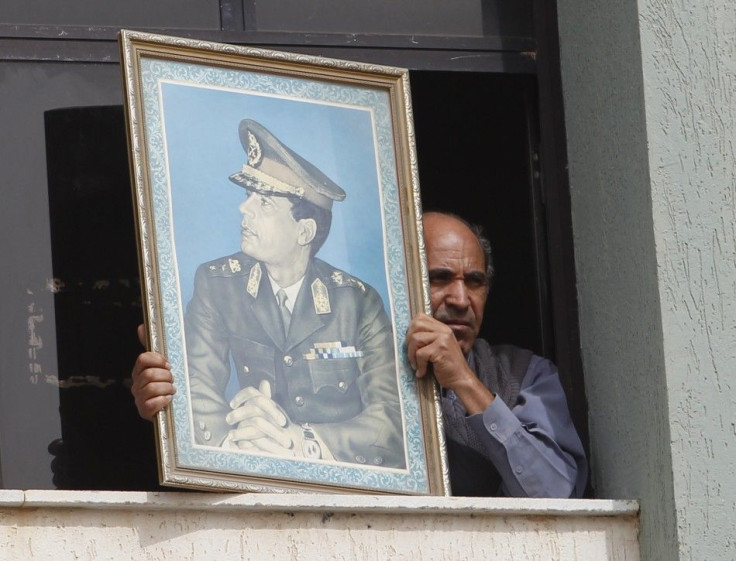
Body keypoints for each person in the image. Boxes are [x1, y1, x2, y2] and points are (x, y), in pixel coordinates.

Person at [132, 118, 405, 468]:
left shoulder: (358, 302)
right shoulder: (218, 284)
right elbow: (194, 389)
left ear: (304, 231)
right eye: (249, 196)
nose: (243, 210)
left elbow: (392, 421)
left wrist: (299, 442)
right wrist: (234, 444)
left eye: (265, 204)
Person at [405, 211, 587, 497]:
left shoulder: (525, 373)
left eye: (474, 282)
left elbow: (555, 495)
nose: (461, 300)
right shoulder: (371, 368)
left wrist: (464, 380)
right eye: (439, 278)